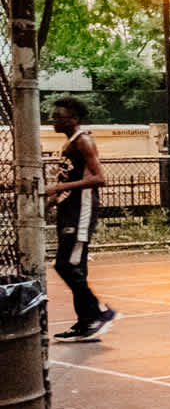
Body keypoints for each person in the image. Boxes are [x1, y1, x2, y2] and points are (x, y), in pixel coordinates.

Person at [47, 97, 113, 341]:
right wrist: (52, 200)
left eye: (58, 116)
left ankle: (98, 313)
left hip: (81, 212)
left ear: (73, 119)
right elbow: (68, 179)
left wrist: (56, 188)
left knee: (66, 265)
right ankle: (86, 322)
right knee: (75, 268)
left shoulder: (83, 141)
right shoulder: (69, 144)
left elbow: (98, 179)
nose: (53, 120)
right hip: (69, 210)